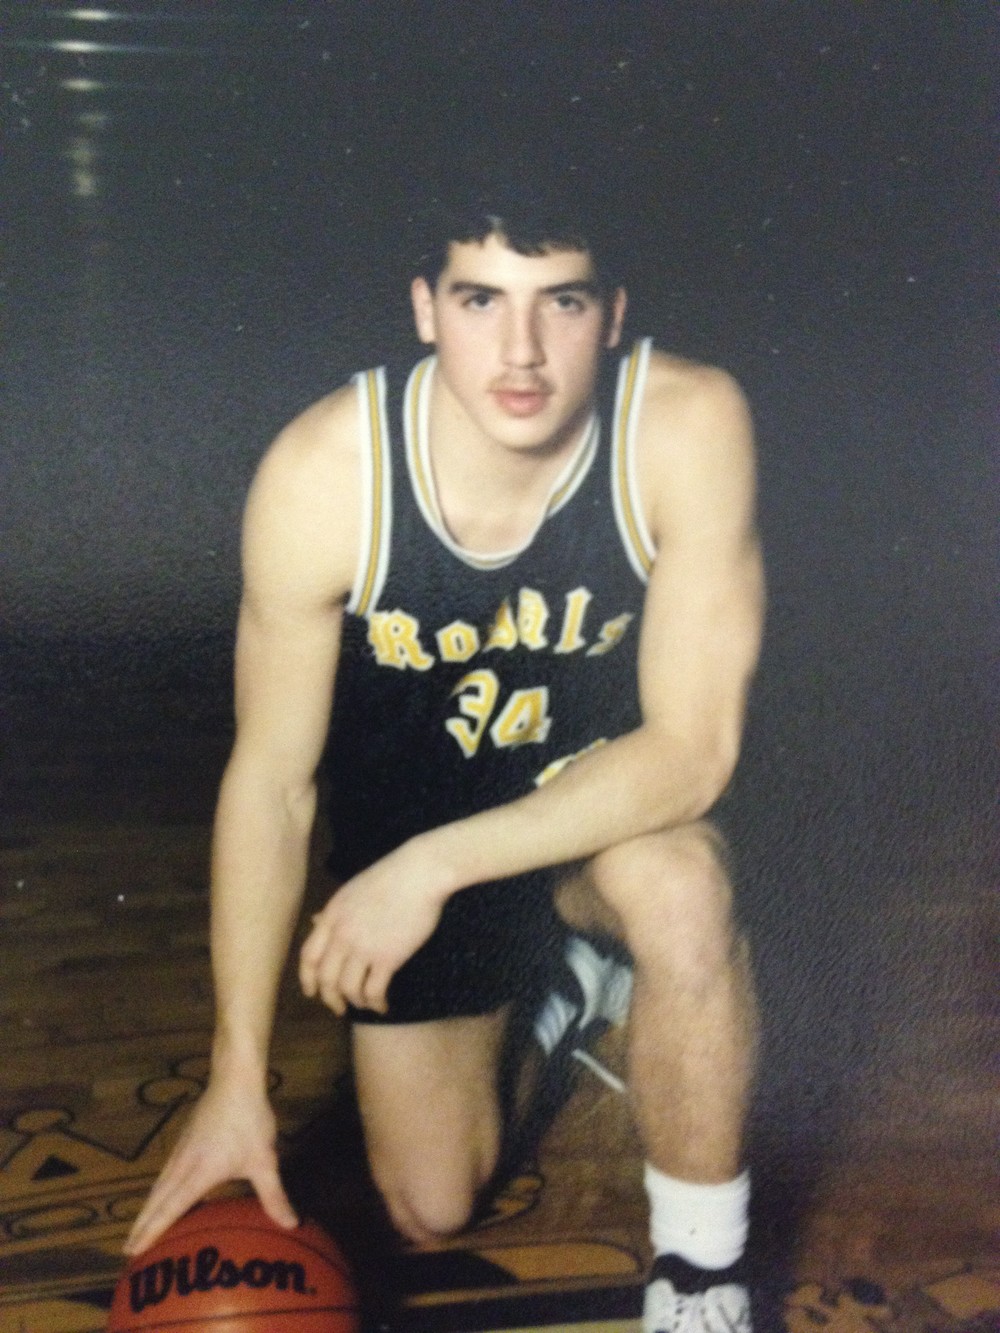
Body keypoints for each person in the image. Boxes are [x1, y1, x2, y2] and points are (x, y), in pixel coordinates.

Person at [124, 179, 764, 1333]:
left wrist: (432, 866)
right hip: (417, 840)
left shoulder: (685, 424)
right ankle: (566, 989)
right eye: (480, 300)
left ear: (612, 315)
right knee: (430, 1205)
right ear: (424, 307)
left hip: (593, 820)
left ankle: (701, 1279)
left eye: (561, 302)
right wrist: (236, 1073)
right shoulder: (327, 474)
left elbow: (693, 750)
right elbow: (271, 785)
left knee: (681, 888)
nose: (520, 351)